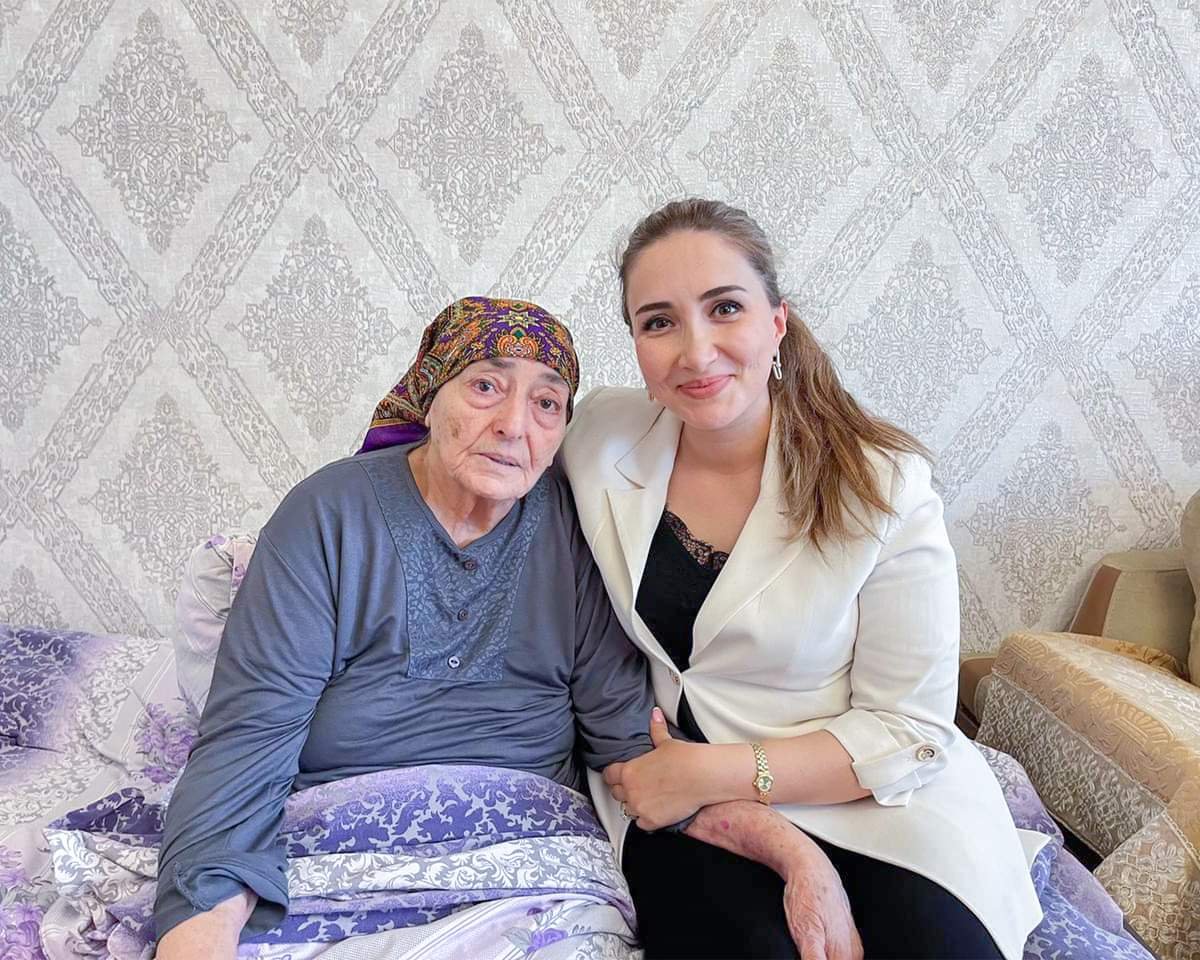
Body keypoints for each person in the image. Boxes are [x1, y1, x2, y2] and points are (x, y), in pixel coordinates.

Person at [155, 296, 862, 960]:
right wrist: (199, 934)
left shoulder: (574, 527)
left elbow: (633, 752)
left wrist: (797, 857)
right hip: (335, 851)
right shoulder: (329, 515)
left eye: (547, 403)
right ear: (430, 395)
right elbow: (245, 750)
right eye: (486, 387)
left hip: (535, 865)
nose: (514, 425)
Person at [561, 201, 1046, 960]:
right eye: (659, 322)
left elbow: (909, 729)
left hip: (870, 798)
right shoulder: (598, 434)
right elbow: (464, 442)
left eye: (725, 308)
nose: (696, 350)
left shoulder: (882, 484)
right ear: (635, 345)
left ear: (777, 322)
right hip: (682, 806)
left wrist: (711, 771)